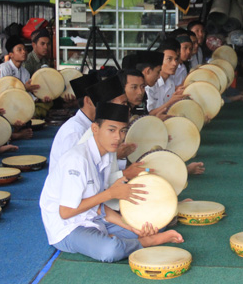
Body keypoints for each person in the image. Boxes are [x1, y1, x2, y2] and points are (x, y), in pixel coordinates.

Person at [39, 102, 184, 263]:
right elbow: (65, 212)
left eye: (123, 131)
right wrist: (110, 193)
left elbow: (100, 207)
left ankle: (122, 238)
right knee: (110, 250)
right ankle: (147, 242)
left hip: (95, 219)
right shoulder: (77, 160)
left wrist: (131, 227)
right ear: (95, 129)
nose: (118, 137)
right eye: (111, 130)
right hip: (68, 228)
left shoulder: (108, 154)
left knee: (153, 224)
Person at [145, 39, 187, 115]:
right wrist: (170, 102)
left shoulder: (170, 83)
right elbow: (149, 114)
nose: (174, 63)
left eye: (176, 59)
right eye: (169, 59)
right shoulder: (150, 85)